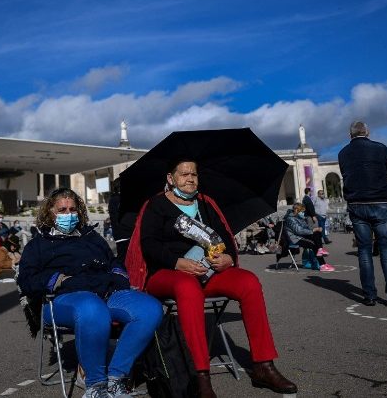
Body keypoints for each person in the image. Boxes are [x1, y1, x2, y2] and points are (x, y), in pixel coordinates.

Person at [126, 160, 297, 398]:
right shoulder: (156, 205)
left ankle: (263, 365)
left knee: (248, 282)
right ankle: (200, 375)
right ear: (170, 178)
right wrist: (178, 263)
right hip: (168, 274)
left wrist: (227, 257)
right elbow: (149, 244)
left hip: (208, 272)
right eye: (184, 174)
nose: (190, 178)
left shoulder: (207, 204)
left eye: (194, 174)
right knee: (187, 286)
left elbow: (226, 236)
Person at [17, 188, 162, 398]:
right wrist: (57, 279)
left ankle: (116, 378)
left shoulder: (91, 237)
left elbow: (113, 262)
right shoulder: (38, 245)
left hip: (103, 290)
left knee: (150, 309)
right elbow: (27, 280)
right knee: (92, 309)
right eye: (62, 210)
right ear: (50, 211)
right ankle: (95, 385)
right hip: (61, 299)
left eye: (72, 209)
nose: (68, 214)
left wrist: (118, 275)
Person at [337, 121, 387, 307]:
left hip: (356, 203)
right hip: (380, 202)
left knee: (364, 251)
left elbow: (346, 174)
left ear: (350, 134)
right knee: (386, 249)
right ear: (367, 132)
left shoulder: (343, 153)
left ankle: (369, 295)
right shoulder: (379, 148)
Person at [281, 203, 335, 271]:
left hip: (301, 235)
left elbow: (306, 228)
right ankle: (322, 265)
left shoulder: (299, 217)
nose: (303, 213)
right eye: (302, 211)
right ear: (297, 210)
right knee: (313, 244)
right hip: (295, 238)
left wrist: (314, 230)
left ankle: (320, 250)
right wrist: (313, 230)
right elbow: (299, 231)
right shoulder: (290, 218)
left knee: (317, 234)